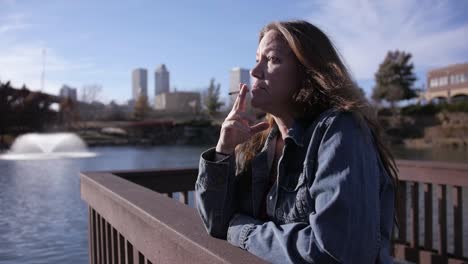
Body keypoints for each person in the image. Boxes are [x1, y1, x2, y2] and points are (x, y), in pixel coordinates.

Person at [195, 20, 397, 264]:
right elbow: (217, 223)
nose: (255, 71)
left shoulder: (340, 130)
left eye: (272, 60)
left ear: (308, 73)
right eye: (257, 58)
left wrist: (245, 232)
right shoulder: (259, 143)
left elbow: (337, 251)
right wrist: (223, 151)